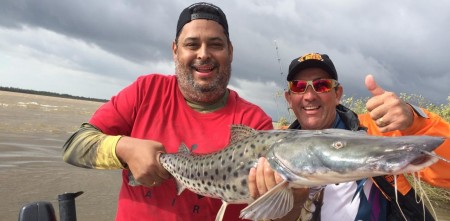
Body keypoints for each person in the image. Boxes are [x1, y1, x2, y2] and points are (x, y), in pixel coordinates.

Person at [62, 2, 307, 221]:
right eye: (192, 44)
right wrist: (123, 148)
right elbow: (75, 146)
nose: (203, 54)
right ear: (175, 50)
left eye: (215, 45)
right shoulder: (145, 92)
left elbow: (276, 215)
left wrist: (291, 199)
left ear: (230, 51)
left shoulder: (253, 121)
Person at [248, 52, 450, 220]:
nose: (309, 96)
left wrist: (415, 123)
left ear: (338, 94)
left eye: (321, 85)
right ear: (289, 99)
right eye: (299, 87)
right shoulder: (270, 148)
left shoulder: (376, 130)